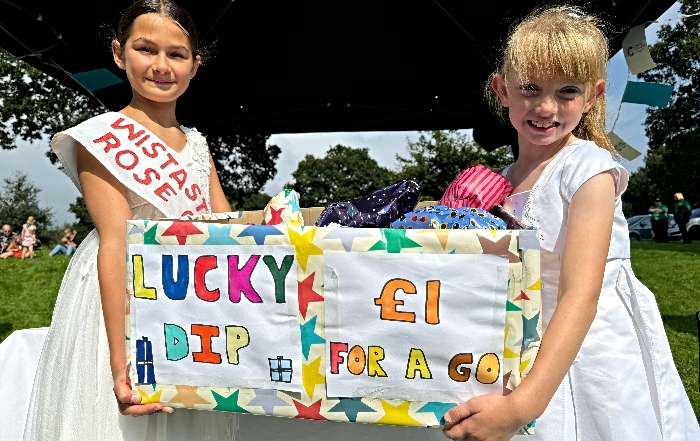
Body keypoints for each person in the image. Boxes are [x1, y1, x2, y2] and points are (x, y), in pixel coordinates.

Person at [442, 6, 699, 441]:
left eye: (566, 91)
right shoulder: (498, 182)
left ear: (592, 94)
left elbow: (582, 292)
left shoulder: (589, 170)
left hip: (589, 348)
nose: (546, 107)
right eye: (529, 88)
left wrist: (524, 406)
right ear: (502, 90)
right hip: (515, 337)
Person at [21, 1, 238, 439]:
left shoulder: (198, 144)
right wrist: (122, 365)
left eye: (176, 54)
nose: (161, 65)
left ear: (195, 66)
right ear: (119, 54)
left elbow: (228, 232)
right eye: (146, 49)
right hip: (126, 301)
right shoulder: (100, 138)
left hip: (189, 300)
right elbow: (115, 243)